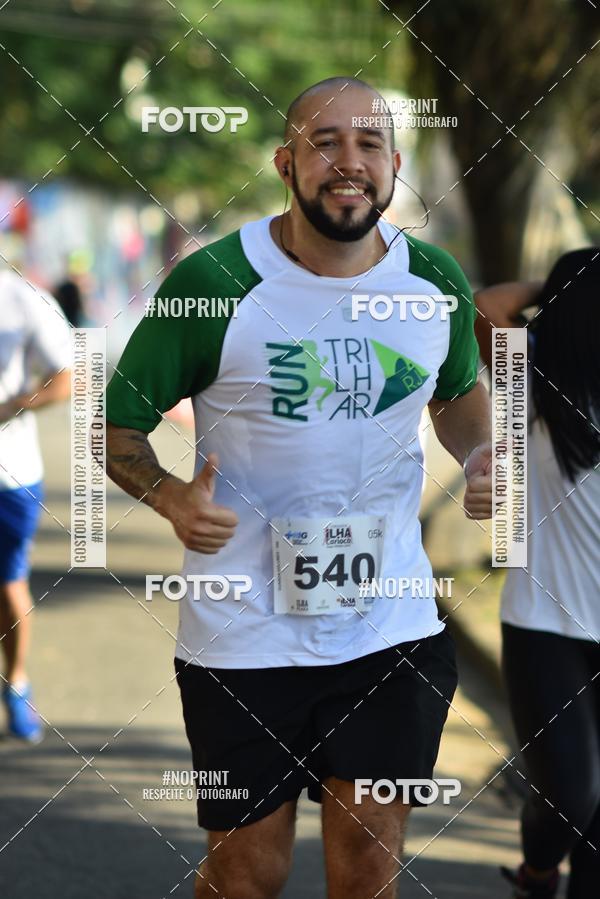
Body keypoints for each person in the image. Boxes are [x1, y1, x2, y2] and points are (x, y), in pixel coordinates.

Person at [105, 76, 493, 899]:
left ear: (394, 165)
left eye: (369, 144)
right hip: (244, 635)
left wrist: (487, 453)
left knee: (368, 863)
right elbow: (115, 426)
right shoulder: (212, 284)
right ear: (287, 163)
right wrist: (170, 496)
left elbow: (460, 396)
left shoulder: (435, 283)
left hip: (390, 624)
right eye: (325, 143)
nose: (348, 162)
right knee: (249, 873)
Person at [474, 249, 600, 899]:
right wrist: (566, 278)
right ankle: (537, 873)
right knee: (570, 799)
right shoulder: (541, 390)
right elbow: (488, 306)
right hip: (545, 625)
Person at [0, 268, 71, 741]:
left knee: (7, 582)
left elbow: (70, 373)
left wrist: (12, 405)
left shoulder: (22, 298)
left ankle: (17, 682)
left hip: (9, 472)